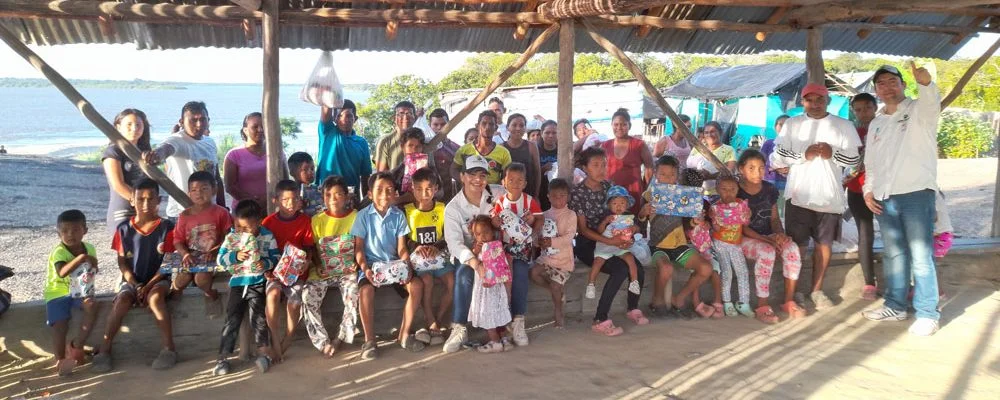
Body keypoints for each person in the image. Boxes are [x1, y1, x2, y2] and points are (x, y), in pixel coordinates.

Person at [861, 63, 943, 336]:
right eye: (881, 83)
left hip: (916, 193)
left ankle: (928, 313)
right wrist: (868, 190)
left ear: (903, 85)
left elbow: (931, 103)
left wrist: (926, 83)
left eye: (892, 81)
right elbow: (871, 162)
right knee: (894, 253)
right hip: (885, 197)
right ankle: (895, 306)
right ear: (876, 90)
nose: (887, 87)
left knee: (921, 255)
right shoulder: (877, 122)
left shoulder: (919, 110)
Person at [770, 83, 861, 310]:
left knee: (824, 245)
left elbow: (854, 160)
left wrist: (833, 153)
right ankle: (795, 291)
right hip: (798, 196)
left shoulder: (844, 125)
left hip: (829, 197)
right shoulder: (793, 124)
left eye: (820, 99)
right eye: (809, 100)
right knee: (797, 246)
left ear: (827, 100)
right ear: (803, 102)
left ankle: (817, 290)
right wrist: (805, 154)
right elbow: (779, 154)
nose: (815, 104)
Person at [92, 180, 177, 373]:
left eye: (150, 199)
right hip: (132, 281)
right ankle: (105, 350)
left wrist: (148, 286)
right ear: (132, 200)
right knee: (122, 301)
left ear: (159, 200)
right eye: (140, 199)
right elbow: (122, 262)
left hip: (159, 279)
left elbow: (168, 263)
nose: (145, 204)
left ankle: (169, 349)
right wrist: (136, 284)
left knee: (155, 299)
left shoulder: (167, 228)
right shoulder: (123, 229)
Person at [570, 147, 648, 336]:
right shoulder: (578, 193)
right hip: (589, 243)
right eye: (596, 165)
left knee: (637, 267)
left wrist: (628, 234)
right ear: (585, 168)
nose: (601, 169)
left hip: (615, 239)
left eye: (604, 165)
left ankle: (632, 308)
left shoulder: (609, 186)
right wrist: (610, 241)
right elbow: (583, 230)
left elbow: (622, 215)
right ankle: (600, 318)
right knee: (620, 269)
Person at [352, 172, 427, 359]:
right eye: (379, 190)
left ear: (395, 193)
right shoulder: (363, 216)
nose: (384, 194)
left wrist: (407, 266)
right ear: (370, 194)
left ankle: (404, 335)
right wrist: (365, 269)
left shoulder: (398, 215)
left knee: (417, 285)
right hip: (371, 267)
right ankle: (370, 341)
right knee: (365, 291)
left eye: (389, 190)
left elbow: (402, 248)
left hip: (394, 267)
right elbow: (359, 249)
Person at [442, 155, 506, 353]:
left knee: (516, 270)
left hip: (496, 254)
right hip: (470, 256)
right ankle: (459, 327)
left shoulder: (497, 194)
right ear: (462, 176)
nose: (478, 180)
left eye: (482, 175)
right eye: (472, 175)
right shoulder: (453, 208)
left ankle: (511, 322)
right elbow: (455, 244)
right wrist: (476, 263)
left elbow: (516, 206)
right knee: (464, 275)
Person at [639, 156, 712, 319]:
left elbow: (688, 224)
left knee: (706, 268)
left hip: (680, 245)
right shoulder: (649, 195)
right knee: (666, 268)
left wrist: (696, 221)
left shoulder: (683, 195)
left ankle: (679, 298)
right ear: (655, 174)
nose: (667, 178)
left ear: (677, 176)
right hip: (658, 246)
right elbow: (639, 222)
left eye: (672, 175)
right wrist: (643, 213)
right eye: (663, 174)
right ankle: (656, 301)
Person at [213, 199, 281, 375]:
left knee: (258, 318)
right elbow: (220, 260)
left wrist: (265, 263)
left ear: (259, 222)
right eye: (238, 226)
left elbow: (276, 257)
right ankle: (222, 358)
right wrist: (235, 256)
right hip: (237, 283)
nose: (241, 231)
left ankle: (263, 354)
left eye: (246, 228)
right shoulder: (231, 238)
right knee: (232, 319)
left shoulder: (267, 236)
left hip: (257, 282)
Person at [736, 150, 806, 321]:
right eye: (751, 168)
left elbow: (774, 219)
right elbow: (742, 228)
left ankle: (788, 301)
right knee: (767, 252)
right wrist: (768, 240)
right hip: (744, 238)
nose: (757, 172)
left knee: (792, 249)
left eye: (761, 168)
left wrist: (780, 235)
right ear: (741, 169)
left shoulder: (770, 189)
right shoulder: (736, 191)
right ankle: (762, 305)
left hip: (768, 237)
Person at [304, 176, 360, 357]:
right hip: (322, 270)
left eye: (338, 194)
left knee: (353, 293)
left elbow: (360, 245)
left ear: (347, 196)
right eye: (328, 195)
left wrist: (356, 263)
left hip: (347, 270)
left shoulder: (355, 217)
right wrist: (318, 264)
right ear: (323, 197)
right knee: (308, 297)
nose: (333, 199)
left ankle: (341, 337)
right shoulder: (317, 220)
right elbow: (312, 247)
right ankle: (321, 341)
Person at [143, 101, 225, 219]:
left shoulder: (210, 142)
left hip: (209, 212)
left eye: (203, 119)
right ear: (181, 122)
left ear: (208, 120)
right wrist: (155, 156)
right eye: (193, 120)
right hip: (182, 213)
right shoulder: (177, 140)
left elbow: (216, 179)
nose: (199, 124)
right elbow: (165, 149)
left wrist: (223, 208)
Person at [262, 179, 315, 360]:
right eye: (285, 200)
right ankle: (274, 339)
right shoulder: (268, 223)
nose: (290, 204)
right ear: (276, 200)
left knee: (295, 302)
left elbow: (308, 248)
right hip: (275, 272)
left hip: (296, 273)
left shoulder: (305, 221)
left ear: (300, 199)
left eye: (294, 199)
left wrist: (306, 262)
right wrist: (267, 270)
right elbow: (262, 249)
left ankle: (288, 338)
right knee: (272, 295)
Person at [490, 162, 541, 347]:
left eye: (519, 180)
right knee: (502, 280)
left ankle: (518, 320)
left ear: (525, 183)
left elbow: (540, 218)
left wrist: (533, 227)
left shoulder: (530, 201)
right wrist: (495, 222)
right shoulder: (500, 202)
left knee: (520, 275)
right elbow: (494, 222)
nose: (515, 183)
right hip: (504, 249)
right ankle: (504, 321)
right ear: (503, 182)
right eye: (511, 180)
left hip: (522, 249)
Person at [45, 209, 99, 377]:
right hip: (57, 292)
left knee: (92, 306)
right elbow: (62, 272)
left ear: (85, 230)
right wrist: (81, 258)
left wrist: (91, 265)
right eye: (65, 230)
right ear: (58, 232)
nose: (70, 234)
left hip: (80, 290)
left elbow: (93, 268)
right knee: (60, 325)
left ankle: (77, 344)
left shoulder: (89, 248)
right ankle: (60, 360)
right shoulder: (59, 252)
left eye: (75, 230)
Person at [405, 168, 454, 343]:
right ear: (412, 188)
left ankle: (438, 319)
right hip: (419, 261)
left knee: (452, 282)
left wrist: (436, 246)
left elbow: (448, 235)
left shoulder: (442, 208)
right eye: (418, 189)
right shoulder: (407, 210)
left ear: (436, 189)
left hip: (439, 256)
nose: (424, 194)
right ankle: (430, 319)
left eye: (428, 189)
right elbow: (403, 239)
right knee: (427, 281)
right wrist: (416, 247)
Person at [171, 171, 229, 317]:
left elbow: (229, 237)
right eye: (194, 190)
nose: (199, 193)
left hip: (213, 257)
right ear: (189, 193)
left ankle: (211, 294)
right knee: (181, 280)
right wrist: (185, 254)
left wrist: (216, 250)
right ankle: (174, 298)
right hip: (191, 257)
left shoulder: (221, 213)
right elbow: (177, 240)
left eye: (204, 188)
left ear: (214, 190)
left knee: (201, 279)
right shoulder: (184, 216)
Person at [530, 178, 577, 329]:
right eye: (555, 196)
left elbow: (569, 238)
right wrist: (538, 242)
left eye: (562, 196)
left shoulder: (571, 215)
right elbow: (537, 235)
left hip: (563, 261)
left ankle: (558, 312)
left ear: (568, 197)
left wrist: (551, 242)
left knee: (556, 286)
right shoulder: (543, 215)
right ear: (548, 197)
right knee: (533, 274)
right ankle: (554, 290)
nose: (558, 199)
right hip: (546, 258)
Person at [845, 93, 878, 301]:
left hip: (884, 190)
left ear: (875, 107)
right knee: (865, 234)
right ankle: (869, 283)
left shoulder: (886, 129)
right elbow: (848, 163)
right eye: (858, 110)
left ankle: (904, 282)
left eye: (867, 108)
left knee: (895, 235)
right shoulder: (852, 134)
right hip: (857, 190)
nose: (863, 113)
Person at [585, 185, 641, 300]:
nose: (618, 206)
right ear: (609, 205)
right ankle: (591, 284)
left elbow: (637, 229)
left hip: (620, 246)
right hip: (605, 244)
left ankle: (634, 282)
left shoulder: (629, 217)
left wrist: (634, 229)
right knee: (598, 261)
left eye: (622, 203)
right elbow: (600, 231)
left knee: (630, 258)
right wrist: (605, 221)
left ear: (627, 205)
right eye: (615, 203)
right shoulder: (606, 216)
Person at [467, 215, 514, 353]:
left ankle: (496, 342)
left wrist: (500, 285)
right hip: (483, 289)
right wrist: (475, 252)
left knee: (490, 314)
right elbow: (473, 261)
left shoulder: (497, 247)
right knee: (493, 314)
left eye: (486, 232)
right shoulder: (477, 248)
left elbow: (501, 268)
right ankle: (502, 340)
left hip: (493, 288)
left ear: (493, 232)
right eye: (478, 234)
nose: (482, 236)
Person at [708, 176, 754, 318]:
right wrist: (715, 219)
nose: (728, 193)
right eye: (724, 189)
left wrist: (747, 215)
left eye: (732, 189)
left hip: (735, 244)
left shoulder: (741, 204)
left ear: (737, 190)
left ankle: (744, 303)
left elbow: (746, 223)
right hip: (720, 243)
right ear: (717, 190)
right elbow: (715, 229)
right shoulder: (715, 207)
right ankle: (727, 302)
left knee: (743, 272)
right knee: (726, 272)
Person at [101, 109, 152, 233]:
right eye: (129, 124)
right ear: (118, 127)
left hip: (146, 210)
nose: (134, 128)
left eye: (138, 125)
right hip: (124, 211)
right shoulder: (113, 151)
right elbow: (118, 185)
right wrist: (142, 203)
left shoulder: (145, 152)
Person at [601, 108, 654, 214]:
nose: (619, 128)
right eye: (616, 124)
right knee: (612, 222)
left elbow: (649, 169)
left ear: (630, 125)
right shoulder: (605, 145)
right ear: (611, 125)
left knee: (634, 221)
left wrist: (646, 194)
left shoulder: (639, 145)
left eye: (623, 124)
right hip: (611, 196)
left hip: (633, 194)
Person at [317, 100, 371, 200]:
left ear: (355, 119)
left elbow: (365, 176)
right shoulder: (327, 132)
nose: (344, 119)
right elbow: (326, 107)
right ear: (334, 118)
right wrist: (332, 93)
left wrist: (365, 201)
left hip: (350, 198)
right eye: (339, 116)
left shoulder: (361, 142)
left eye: (349, 116)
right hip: (327, 196)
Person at [224, 112, 270, 211]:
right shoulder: (234, 155)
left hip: (272, 208)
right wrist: (253, 202)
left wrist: (268, 200)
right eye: (255, 127)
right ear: (245, 130)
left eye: (263, 126)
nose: (260, 130)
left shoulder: (276, 153)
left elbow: (283, 180)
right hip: (244, 211)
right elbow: (230, 186)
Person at [452, 110, 513, 185]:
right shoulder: (464, 150)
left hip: (493, 191)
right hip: (470, 190)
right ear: (477, 126)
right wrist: (466, 182)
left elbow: (508, 176)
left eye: (491, 124)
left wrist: (494, 188)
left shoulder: (504, 153)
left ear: (496, 127)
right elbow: (453, 170)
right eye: (484, 123)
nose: (487, 127)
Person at [374, 101, 437, 173]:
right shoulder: (385, 141)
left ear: (415, 117)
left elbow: (432, 169)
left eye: (409, 114)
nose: (405, 117)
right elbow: (381, 173)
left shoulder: (422, 139)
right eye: (401, 114)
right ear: (394, 118)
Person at [686, 121, 737, 196]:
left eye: (712, 131)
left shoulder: (729, 150)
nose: (709, 135)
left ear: (720, 132)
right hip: (696, 192)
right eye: (706, 132)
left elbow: (730, 172)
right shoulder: (698, 147)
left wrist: (711, 176)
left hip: (717, 194)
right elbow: (689, 167)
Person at [502, 114, 542, 198]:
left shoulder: (531, 146)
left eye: (521, 125)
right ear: (507, 127)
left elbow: (537, 172)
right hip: (507, 195)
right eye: (514, 125)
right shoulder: (501, 147)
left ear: (525, 128)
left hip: (528, 193)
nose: (518, 128)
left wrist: (536, 195)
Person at [759, 115, 790, 218]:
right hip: (769, 182)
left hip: (786, 185)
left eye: (787, 124)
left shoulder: (794, 145)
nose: (784, 127)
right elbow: (760, 162)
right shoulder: (769, 143)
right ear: (775, 126)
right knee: (766, 210)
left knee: (780, 212)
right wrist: (774, 168)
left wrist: (790, 170)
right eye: (781, 124)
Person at [428, 108, 462, 202]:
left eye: (443, 124)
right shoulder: (424, 148)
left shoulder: (457, 149)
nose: (439, 127)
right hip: (429, 198)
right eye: (435, 124)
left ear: (449, 125)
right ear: (430, 126)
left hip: (452, 197)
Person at [389, 127, 427, 206]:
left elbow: (440, 192)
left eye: (418, 146)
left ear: (422, 148)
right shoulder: (396, 173)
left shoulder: (429, 169)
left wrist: (427, 176)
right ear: (402, 147)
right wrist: (403, 198)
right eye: (410, 145)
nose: (414, 150)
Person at [288, 152, 325, 217]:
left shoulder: (320, 190)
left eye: (312, 168)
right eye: (305, 169)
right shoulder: (288, 194)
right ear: (292, 172)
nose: (311, 172)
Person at [536, 120, 559, 210]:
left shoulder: (562, 150)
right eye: (547, 132)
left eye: (554, 133)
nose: (551, 135)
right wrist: (543, 169)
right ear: (542, 134)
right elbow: (531, 173)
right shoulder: (535, 150)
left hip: (558, 193)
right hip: (541, 191)